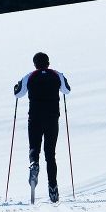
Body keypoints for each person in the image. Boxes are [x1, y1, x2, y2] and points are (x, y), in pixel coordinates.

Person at [14, 52, 71, 203]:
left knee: (34, 147)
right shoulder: (57, 75)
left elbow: (18, 94)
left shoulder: (29, 76)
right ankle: (53, 187)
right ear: (48, 62)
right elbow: (66, 90)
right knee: (50, 154)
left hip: (35, 118)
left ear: (35, 64)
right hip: (52, 118)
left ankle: (34, 164)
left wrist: (15, 87)